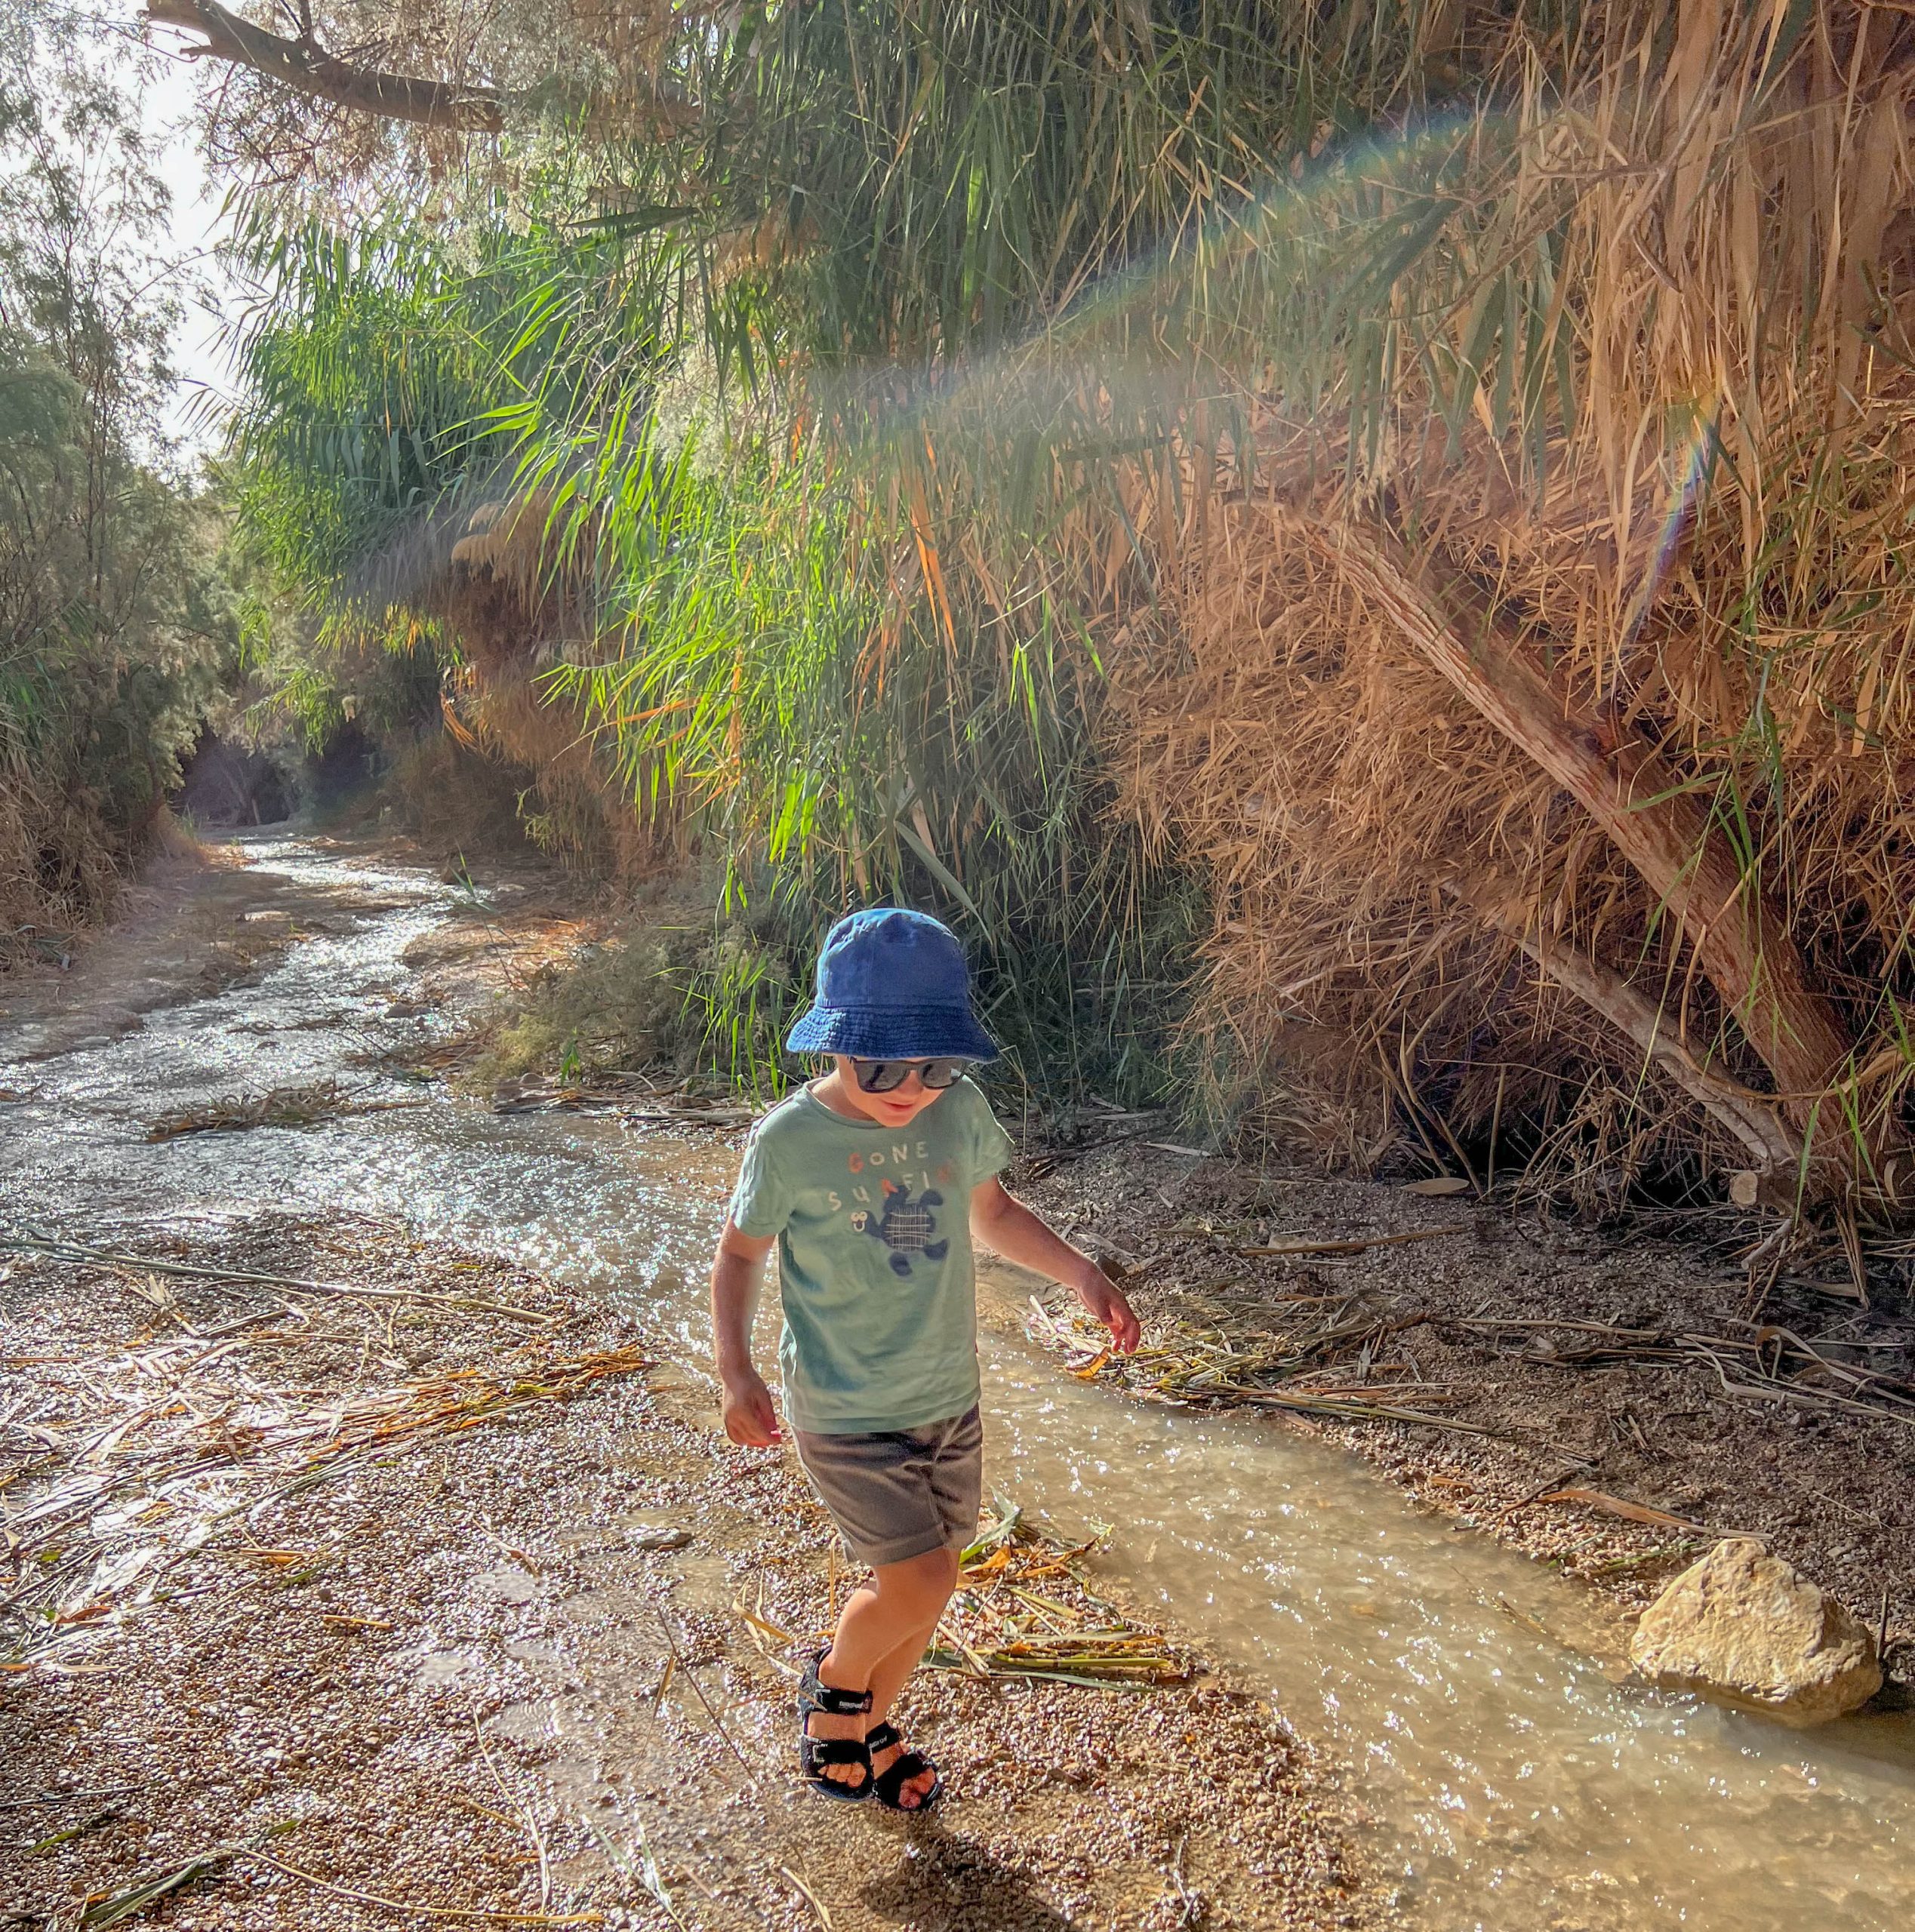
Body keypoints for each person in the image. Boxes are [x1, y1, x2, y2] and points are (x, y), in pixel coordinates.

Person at [709, 907, 1140, 1810]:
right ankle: (832, 1689)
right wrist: (736, 1371)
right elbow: (741, 1254)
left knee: (925, 1593)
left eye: (935, 1066)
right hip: (842, 1408)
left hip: (946, 1397)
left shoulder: (959, 1115)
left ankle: (872, 1723)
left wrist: (1081, 1274)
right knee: (922, 1580)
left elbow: (994, 1215)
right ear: (832, 1047)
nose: (911, 1086)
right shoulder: (788, 1143)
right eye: (881, 1067)